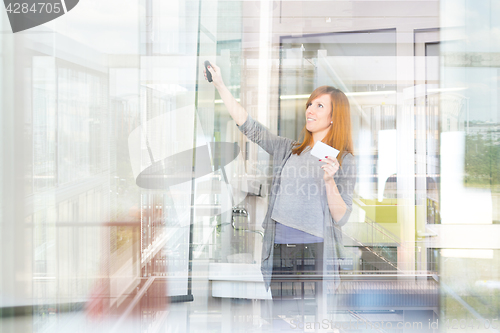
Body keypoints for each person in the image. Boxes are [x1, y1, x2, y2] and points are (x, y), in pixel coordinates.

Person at [205, 63, 356, 329]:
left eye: (320, 105)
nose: (310, 109)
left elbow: (342, 217)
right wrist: (220, 85)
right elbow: (249, 126)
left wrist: (330, 180)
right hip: (280, 250)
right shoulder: (289, 149)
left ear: (334, 116)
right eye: (310, 104)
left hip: (314, 254)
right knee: (282, 323)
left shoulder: (343, 159)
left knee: (312, 323)